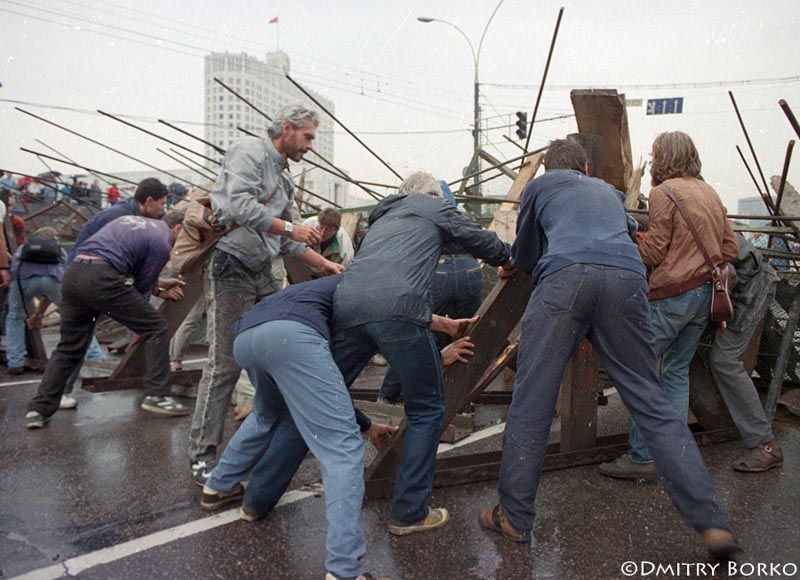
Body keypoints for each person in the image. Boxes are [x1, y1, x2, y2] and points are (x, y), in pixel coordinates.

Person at [477, 139, 738, 559]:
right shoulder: (609, 193)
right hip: (626, 280)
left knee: (533, 401)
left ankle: (515, 517)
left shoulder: (541, 188)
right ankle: (712, 524)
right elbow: (632, 235)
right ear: (585, 164)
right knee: (651, 400)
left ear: (548, 168)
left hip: (565, 279)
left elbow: (524, 256)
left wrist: (514, 261)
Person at [331, 171, 511, 535]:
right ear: (433, 196)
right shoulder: (432, 205)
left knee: (324, 389)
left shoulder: (381, 220)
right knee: (428, 406)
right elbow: (476, 238)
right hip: (400, 310)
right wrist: (507, 258)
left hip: (347, 306)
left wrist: (442, 325)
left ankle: (258, 495)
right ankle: (409, 512)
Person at [187, 104, 345, 479]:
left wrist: (324, 265)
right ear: (287, 129)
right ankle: (202, 455)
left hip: (263, 271)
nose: (310, 146)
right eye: (306, 137)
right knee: (225, 363)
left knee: (280, 352)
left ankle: (274, 441)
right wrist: (291, 231)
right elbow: (240, 206)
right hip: (231, 267)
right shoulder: (250, 152)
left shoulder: (285, 177)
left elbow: (288, 238)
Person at [599, 131, 738, 480]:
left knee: (639, 373)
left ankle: (644, 457)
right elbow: (730, 248)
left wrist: (627, 247)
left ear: (664, 157)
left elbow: (655, 252)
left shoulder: (664, 192)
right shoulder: (708, 191)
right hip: (704, 296)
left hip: (671, 297)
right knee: (675, 373)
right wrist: (691, 257)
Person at [25, 212, 189, 429]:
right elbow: (140, 287)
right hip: (101, 278)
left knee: (69, 347)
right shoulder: (163, 241)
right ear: (177, 228)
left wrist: (158, 287)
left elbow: (122, 262)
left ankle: (39, 409)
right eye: (184, 234)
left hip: (74, 274)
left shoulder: (131, 221)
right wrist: (139, 322)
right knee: (156, 326)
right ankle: (157, 395)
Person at [377, 181, 483, 404]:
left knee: (416, 333)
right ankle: (463, 400)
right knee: (467, 335)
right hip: (470, 269)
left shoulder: (414, 216)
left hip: (439, 271)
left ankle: (388, 395)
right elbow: (480, 240)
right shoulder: (454, 212)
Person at [710, 233, 783, 471]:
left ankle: (765, 444)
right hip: (740, 285)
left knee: (725, 360)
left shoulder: (693, 224)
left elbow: (744, 260)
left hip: (751, 288)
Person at [67, 177, 169, 263]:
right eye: (162, 204)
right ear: (149, 201)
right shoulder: (116, 217)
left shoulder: (146, 213)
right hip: (84, 264)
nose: (163, 209)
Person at [302, 207, 355, 278]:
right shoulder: (307, 225)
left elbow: (346, 270)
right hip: (303, 271)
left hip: (327, 277)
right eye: (321, 228)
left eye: (328, 230)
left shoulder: (344, 245)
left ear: (336, 229)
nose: (322, 233)